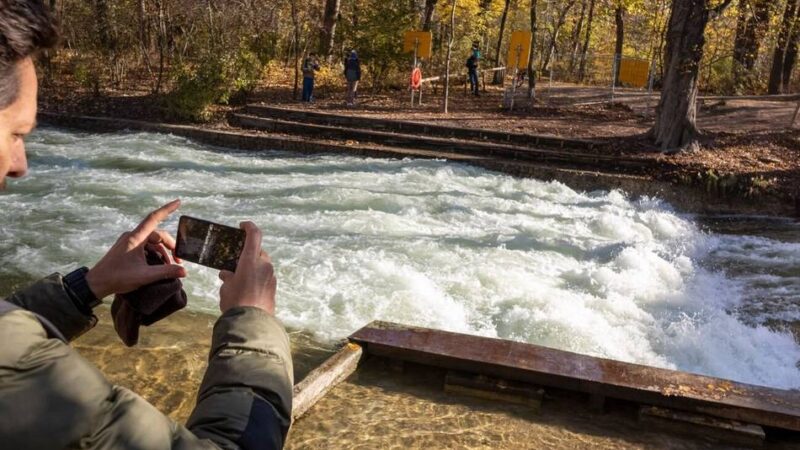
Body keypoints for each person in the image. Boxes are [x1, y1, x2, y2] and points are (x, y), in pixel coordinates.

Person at [0, 2, 293, 449]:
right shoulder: (18, 371)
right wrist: (253, 322)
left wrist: (87, 287)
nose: (21, 164)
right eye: (17, 134)